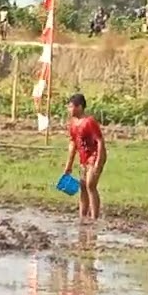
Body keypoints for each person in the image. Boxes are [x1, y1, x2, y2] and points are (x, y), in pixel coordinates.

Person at [64, 93, 106, 222]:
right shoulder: (73, 123)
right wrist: (69, 165)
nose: (69, 110)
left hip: (94, 156)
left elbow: (100, 142)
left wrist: (98, 162)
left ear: (80, 107)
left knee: (90, 185)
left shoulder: (89, 122)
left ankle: (94, 218)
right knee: (82, 185)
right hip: (84, 158)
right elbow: (73, 143)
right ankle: (82, 216)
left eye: (71, 107)